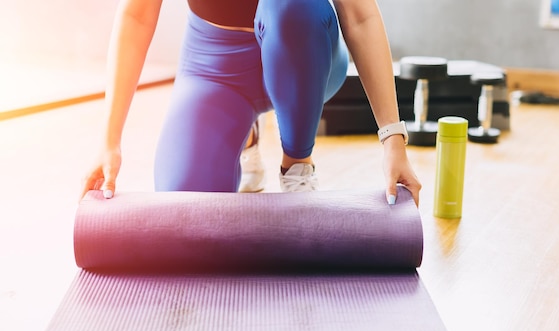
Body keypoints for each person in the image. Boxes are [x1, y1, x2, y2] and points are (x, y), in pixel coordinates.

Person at [81, 0, 421, 207]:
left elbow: (360, 15)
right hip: (216, 65)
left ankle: (297, 162)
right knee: (185, 207)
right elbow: (137, 16)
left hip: (307, 53)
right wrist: (109, 143)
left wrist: (392, 140)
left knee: (291, 6)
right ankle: (245, 135)